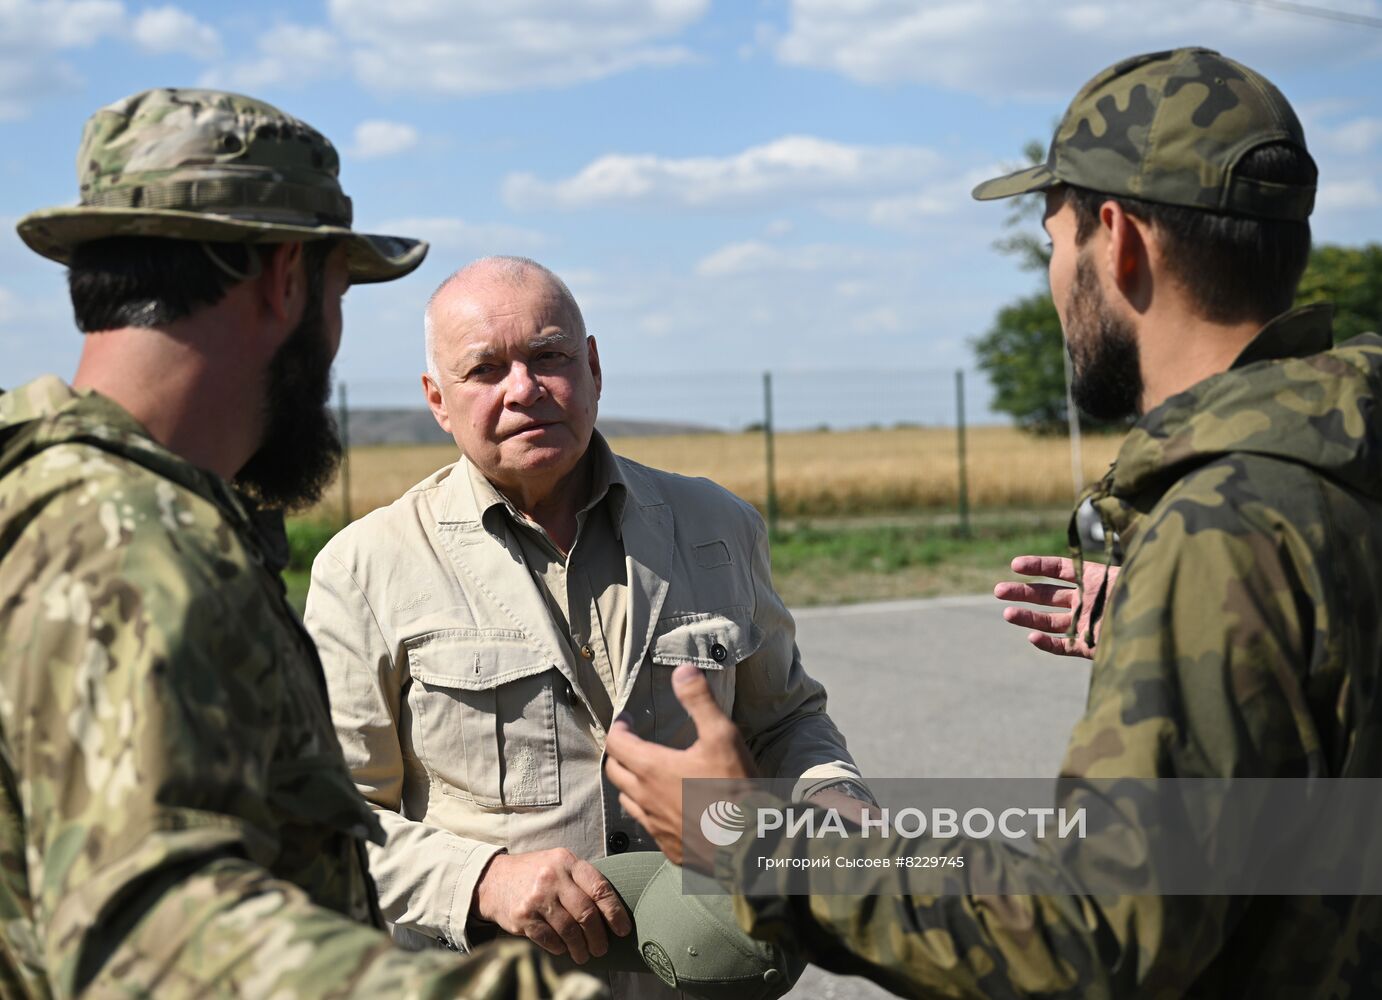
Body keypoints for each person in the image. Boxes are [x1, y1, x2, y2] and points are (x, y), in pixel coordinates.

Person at [606, 46, 1382, 997]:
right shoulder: (1337, 469)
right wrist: (1196, 627)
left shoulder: (1228, 528)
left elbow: (1095, 931)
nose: (1056, 285)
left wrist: (753, 842)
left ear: (1120, 238)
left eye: (1056, 245)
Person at [0, 88, 602, 999]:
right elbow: (154, 933)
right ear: (288, 278)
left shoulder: (43, 494)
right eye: (341, 290)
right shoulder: (131, 547)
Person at [303, 256, 869, 996]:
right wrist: (483, 881)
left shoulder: (717, 527)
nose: (524, 389)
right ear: (437, 399)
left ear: (594, 366)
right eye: (484, 370)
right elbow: (327, 820)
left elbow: (786, 720)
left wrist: (833, 799)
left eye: (549, 356)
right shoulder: (366, 567)